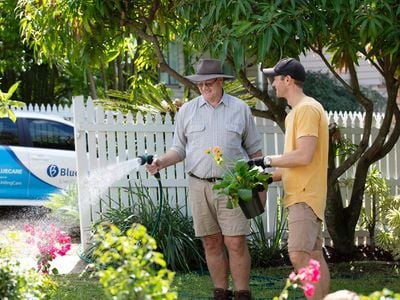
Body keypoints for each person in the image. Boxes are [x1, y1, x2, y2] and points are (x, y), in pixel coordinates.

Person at [146, 59, 263, 300]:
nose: (203, 88)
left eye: (208, 83)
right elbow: (178, 149)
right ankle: (220, 292)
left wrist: (260, 185)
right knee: (210, 242)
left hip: (233, 185)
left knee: (235, 242)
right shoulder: (187, 111)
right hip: (199, 185)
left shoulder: (240, 109)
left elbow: (255, 152)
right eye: (199, 84)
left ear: (221, 81)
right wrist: (160, 162)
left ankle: (242, 293)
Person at [249, 58, 331, 299]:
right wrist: (266, 178)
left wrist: (266, 160)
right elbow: (293, 164)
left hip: (305, 195)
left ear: (288, 80)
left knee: (297, 253)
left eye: (275, 78)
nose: (272, 84)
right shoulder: (296, 112)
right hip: (305, 193)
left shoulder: (306, 109)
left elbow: (304, 155)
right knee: (314, 256)